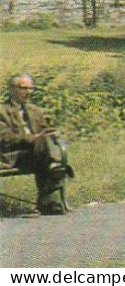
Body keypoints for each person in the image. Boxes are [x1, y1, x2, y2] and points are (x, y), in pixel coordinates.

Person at [0, 74, 72, 214]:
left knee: (47, 141)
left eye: (31, 88)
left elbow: (46, 129)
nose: (29, 92)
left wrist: (53, 133)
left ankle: (47, 198)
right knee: (43, 144)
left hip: (36, 154)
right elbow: (4, 137)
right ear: (12, 90)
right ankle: (53, 175)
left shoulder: (34, 110)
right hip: (13, 155)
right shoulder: (2, 111)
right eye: (24, 88)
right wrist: (32, 139)